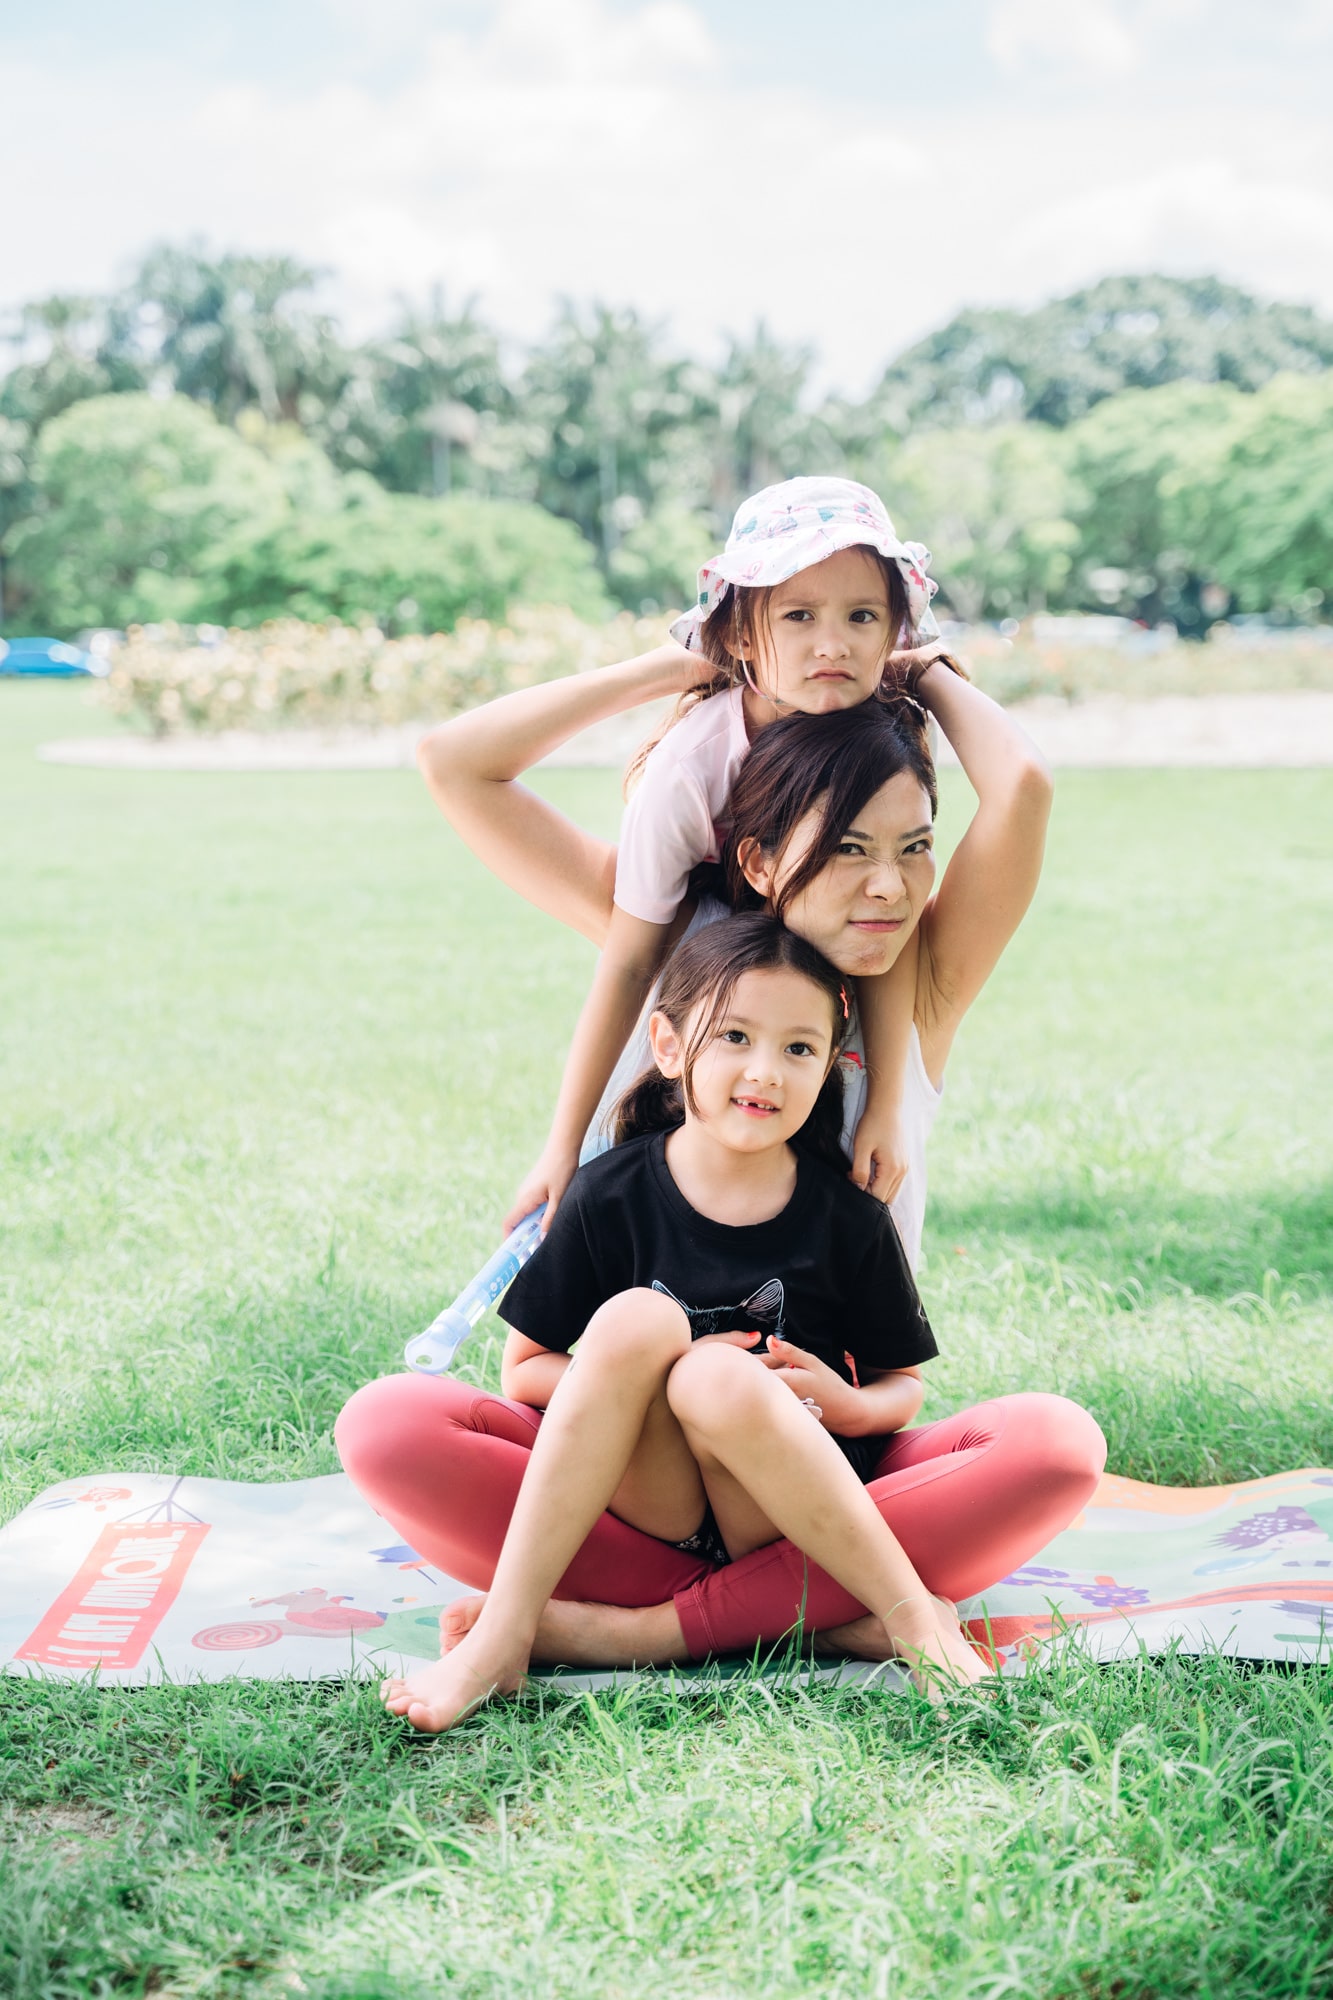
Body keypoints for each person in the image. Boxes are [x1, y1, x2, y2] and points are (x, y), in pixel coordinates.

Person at [335, 605, 1106, 1689]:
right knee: (388, 1421)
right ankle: (820, 1611)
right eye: (844, 851)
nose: (886, 886)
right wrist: (684, 664)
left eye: (912, 848)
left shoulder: (917, 981)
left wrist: (916, 678)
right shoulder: (666, 956)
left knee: (1054, 1447)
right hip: (633, 1481)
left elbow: (1019, 785)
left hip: (815, 1481)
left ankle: (619, 1630)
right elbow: (459, 763)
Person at [376, 914, 992, 1731]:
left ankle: (898, 1619)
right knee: (629, 1330)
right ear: (668, 1047)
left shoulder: (847, 1218)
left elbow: (900, 1388)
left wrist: (844, 1406)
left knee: (1050, 1446)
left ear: (832, 1066)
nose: (764, 1072)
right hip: (648, 1506)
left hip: (785, 1519)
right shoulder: (609, 1195)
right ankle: (507, 1636)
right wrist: (647, 1382)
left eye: (798, 1049)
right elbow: (523, 1371)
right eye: (734, 1036)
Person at [507, 476, 956, 1237]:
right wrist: (560, 1146)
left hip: (827, 962)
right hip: (707, 970)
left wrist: (886, 1107)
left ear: (892, 636)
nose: (832, 643)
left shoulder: (886, 728)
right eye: (799, 616)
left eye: (861, 616)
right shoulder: (690, 768)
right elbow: (626, 960)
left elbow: (888, 939)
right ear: (744, 636)